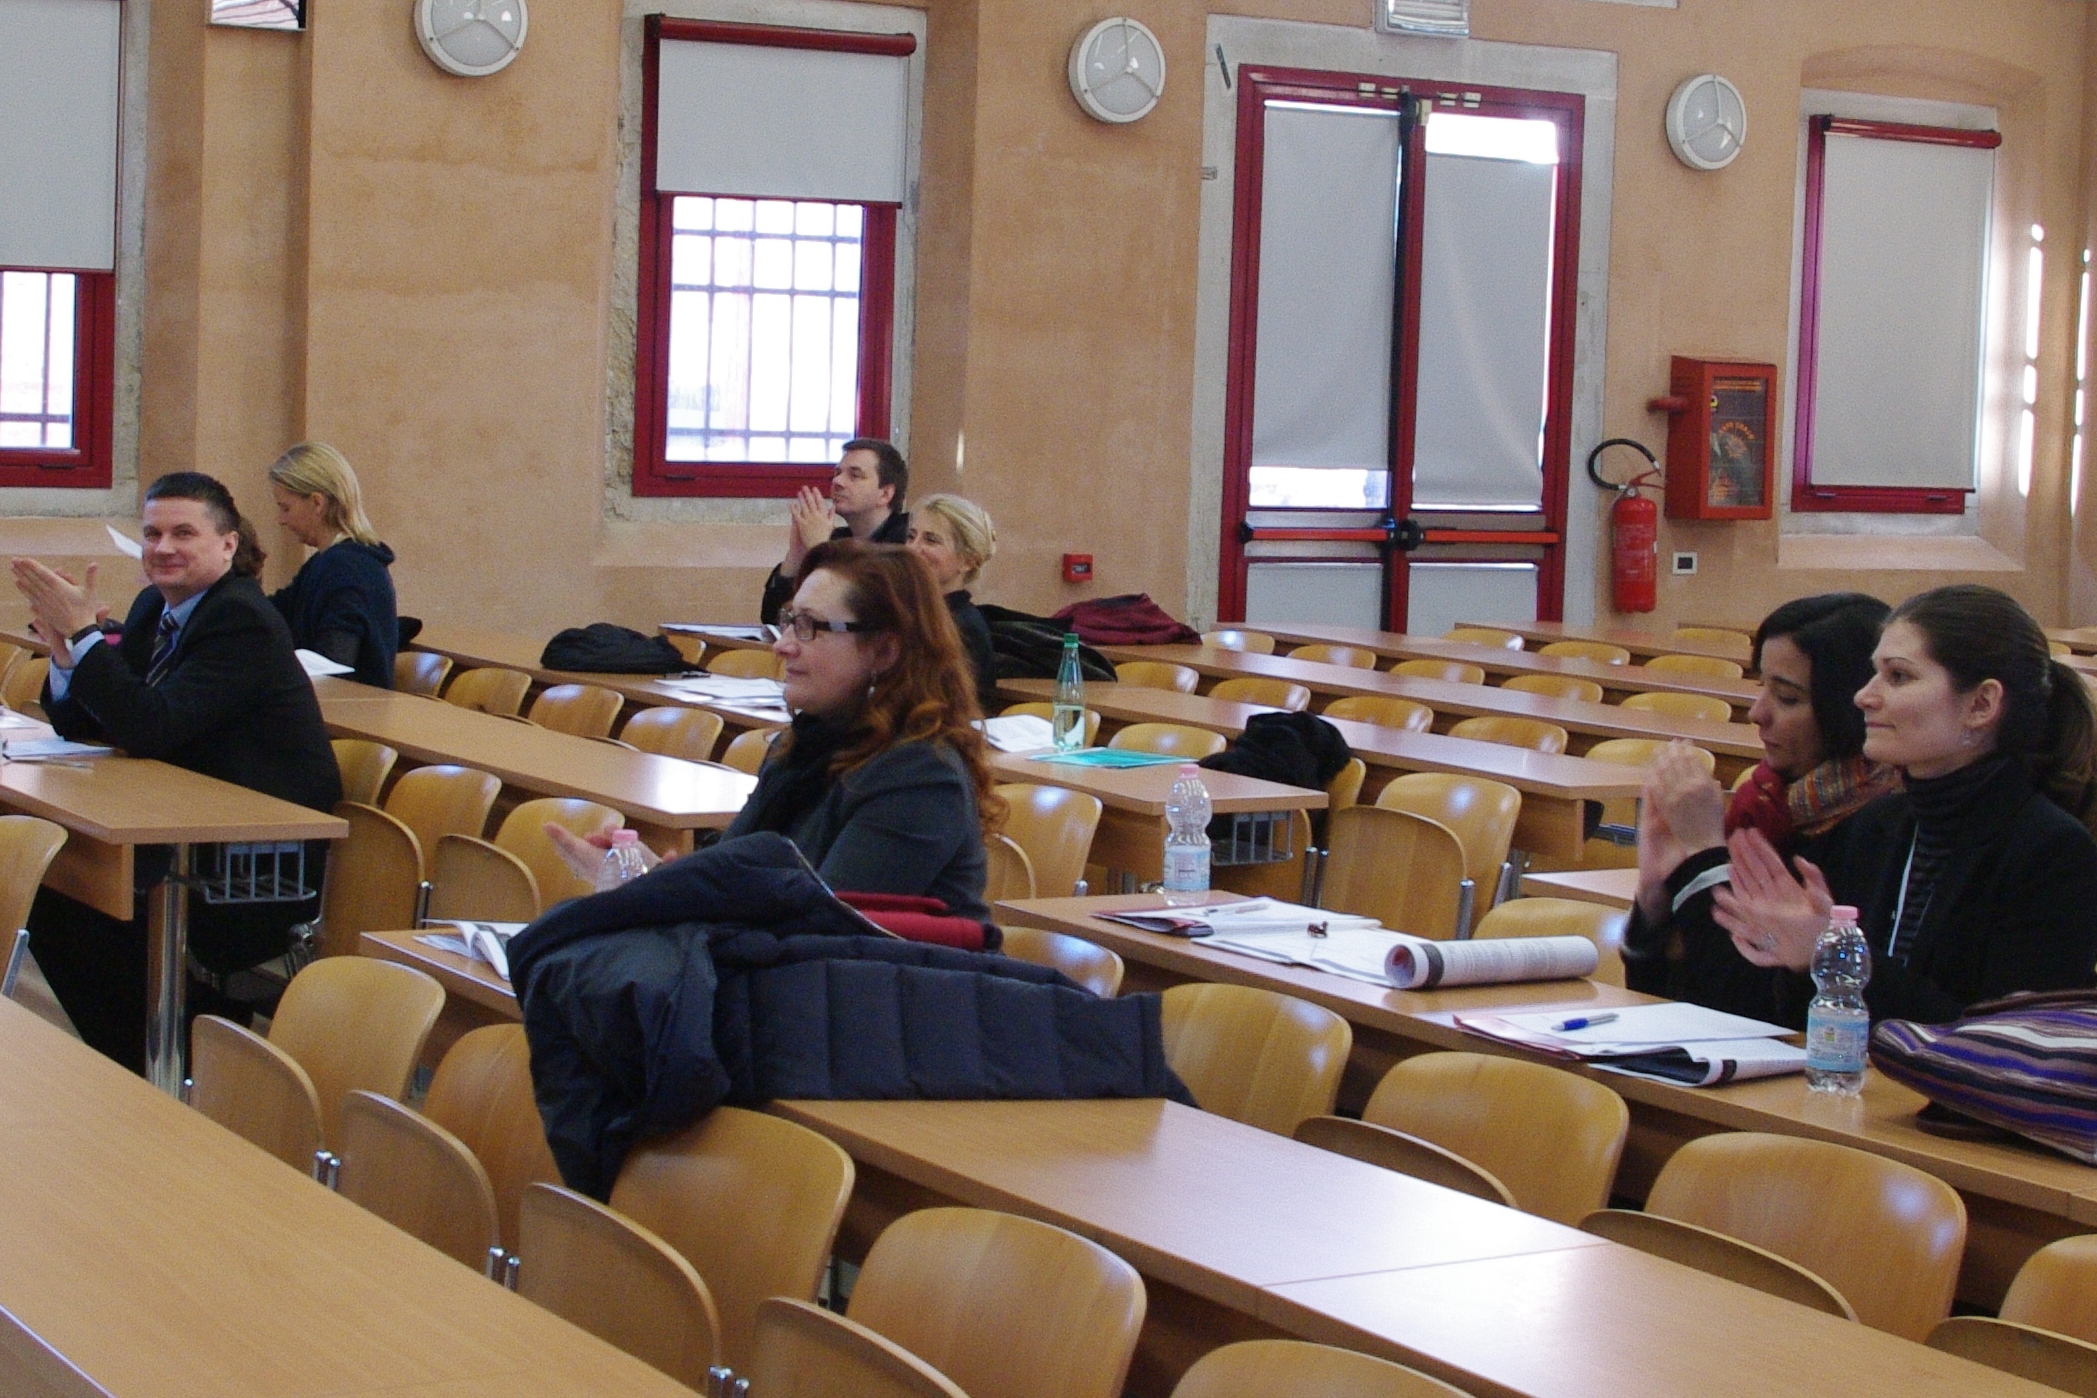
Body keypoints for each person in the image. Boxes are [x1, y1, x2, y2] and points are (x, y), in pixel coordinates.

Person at [12, 472, 343, 1071]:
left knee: (62, 894)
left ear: (228, 544)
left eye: (183, 534)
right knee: (51, 881)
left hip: (248, 859)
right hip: (176, 828)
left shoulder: (239, 618)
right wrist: (65, 652)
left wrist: (86, 636)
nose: (163, 548)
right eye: (152, 534)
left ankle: (173, 1059)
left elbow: (151, 725)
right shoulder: (154, 607)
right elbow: (96, 720)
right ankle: (151, 1057)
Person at [1658, 585, 2097, 1027]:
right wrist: (1796, 959)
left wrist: (1833, 955)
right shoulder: (1876, 825)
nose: (1864, 696)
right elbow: (1791, 1022)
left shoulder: (2053, 852)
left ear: (1981, 705)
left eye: (1898, 676)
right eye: (1874, 673)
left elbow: (2001, 1042)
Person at [559, 539, 995, 919]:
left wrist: (659, 898)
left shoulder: (920, 775)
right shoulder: (799, 747)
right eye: (790, 620)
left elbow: (823, 923)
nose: (783, 646)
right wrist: (644, 877)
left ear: (885, 650)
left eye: (809, 627)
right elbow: (731, 876)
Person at [1624, 593, 1896, 1021]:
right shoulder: (1766, 805)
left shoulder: (1881, 830)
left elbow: (1741, 1008)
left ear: (1849, 706)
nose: (1756, 713)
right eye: (1760, 687)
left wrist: (1705, 858)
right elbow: (1665, 1000)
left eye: (1787, 698)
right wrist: (1655, 901)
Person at [266, 442, 400, 688]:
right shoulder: (326, 563)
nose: (281, 520)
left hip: (351, 707)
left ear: (317, 503)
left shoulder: (348, 569)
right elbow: (271, 614)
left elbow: (335, 662)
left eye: (286, 508)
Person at [759, 439, 909, 625]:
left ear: (885, 494)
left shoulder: (907, 540)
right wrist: (797, 556)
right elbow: (771, 617)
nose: (837, 481)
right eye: (837, 473)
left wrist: (819, 548)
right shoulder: (838, 538)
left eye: (854, 476)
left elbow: (864, 613)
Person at [906, 493, 999, 708]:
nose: (913, 548)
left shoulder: (962, 627)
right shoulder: (912, 613)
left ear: (968, 560)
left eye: (931, 540)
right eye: (911, 536)